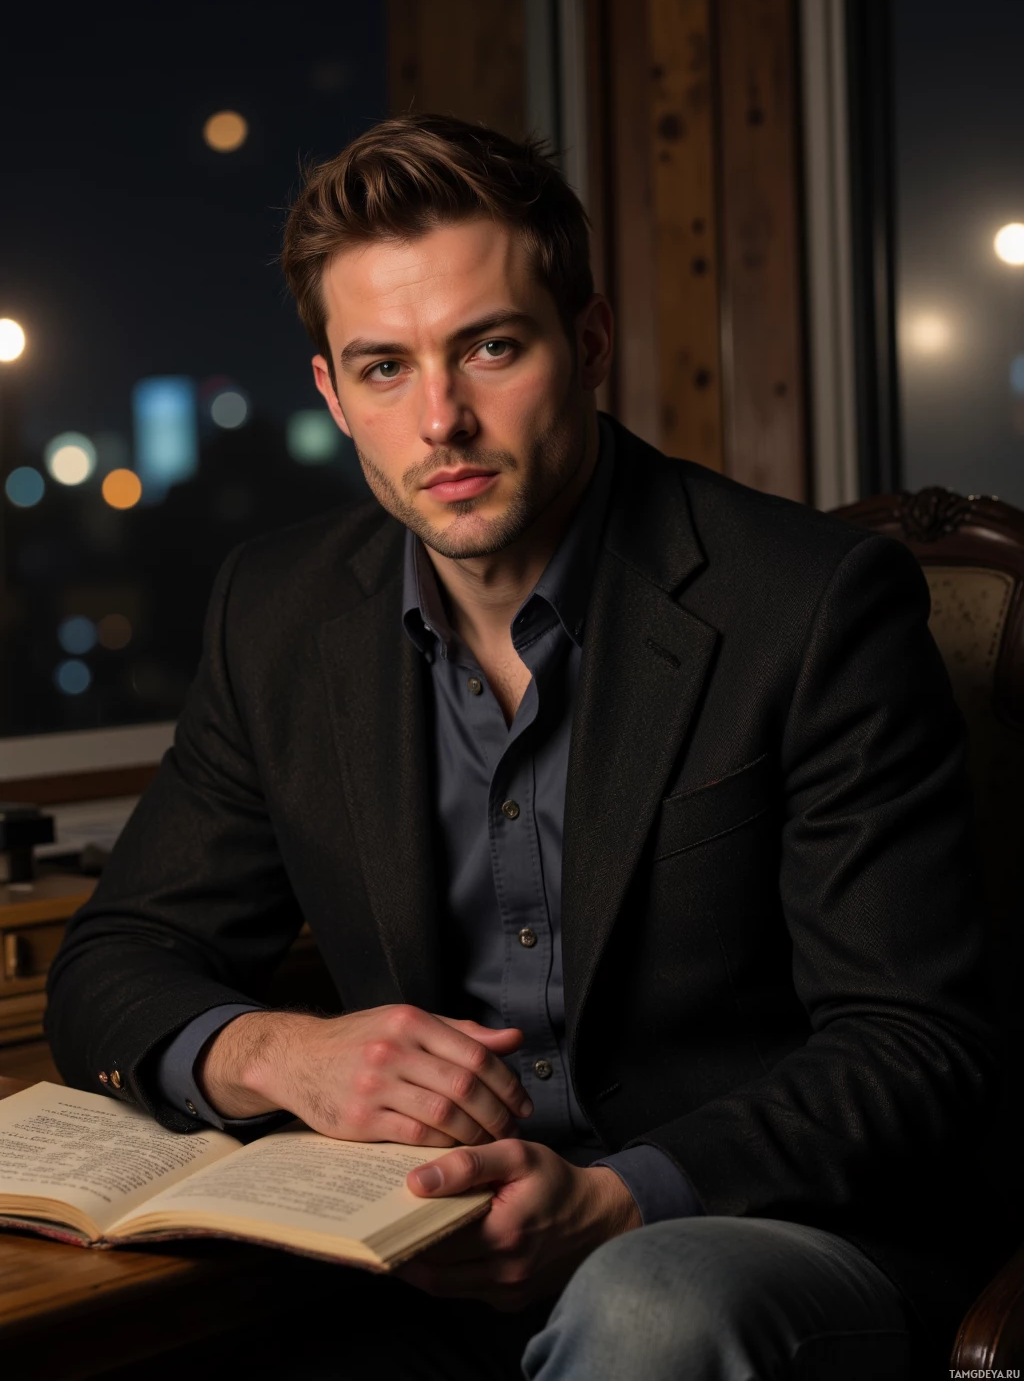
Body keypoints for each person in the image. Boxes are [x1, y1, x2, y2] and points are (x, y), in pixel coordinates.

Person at [47, 114, 998, 1379]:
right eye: (384, 369)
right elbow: (118, 958)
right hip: (412, 1244)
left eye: (489, 348)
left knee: (647, 1308)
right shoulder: (275, 613)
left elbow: (914, 1045)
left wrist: (619, 1199)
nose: (441, 420)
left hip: (748, 1228)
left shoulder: (811, 603)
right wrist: (285, 1051)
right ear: (333, 392)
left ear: (588, 343)